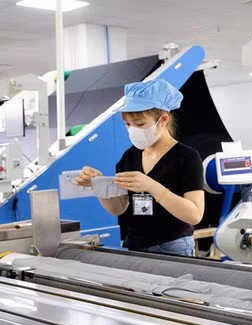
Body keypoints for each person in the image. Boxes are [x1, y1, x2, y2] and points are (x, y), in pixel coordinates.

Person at [74, 79, 205, 256]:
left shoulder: (186, 157)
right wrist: (98, 184)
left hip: (172, 245)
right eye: (128, 124)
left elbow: (195, 215)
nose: (133, 130)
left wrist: (151, 186)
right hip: (135, 244)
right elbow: (118, 208)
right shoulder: (130, 156)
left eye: (140, 124)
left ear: (163, 120)